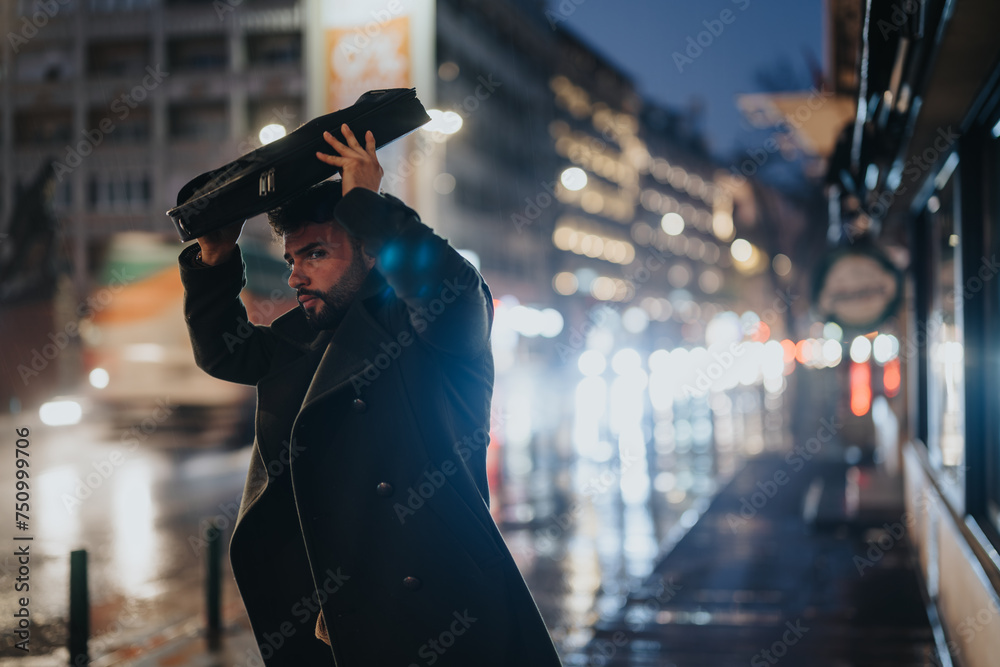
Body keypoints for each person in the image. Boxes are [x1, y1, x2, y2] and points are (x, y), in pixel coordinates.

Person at [178, 124, 564, 666]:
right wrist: (216, 256)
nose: (295, 277)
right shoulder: (301, 337)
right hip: (333, 621)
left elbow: (445, 285)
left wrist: (367, 200)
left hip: (439, 614)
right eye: (292, 260)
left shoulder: (436, 327)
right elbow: (225, 353)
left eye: (314, 255)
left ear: (370, 251)